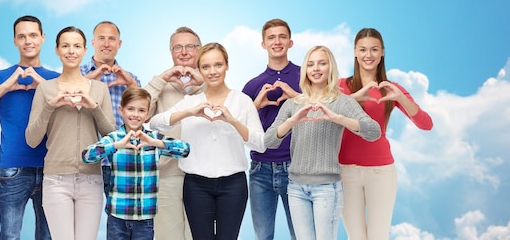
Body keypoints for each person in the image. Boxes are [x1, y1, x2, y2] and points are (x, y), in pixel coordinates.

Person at [150, 42, 266, 239]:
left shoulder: (242, 101)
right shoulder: (191, 101)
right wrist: (188, 112)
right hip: (196, 186)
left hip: (233, 186)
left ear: (227, 66)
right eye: (206, 67)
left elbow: (260, 145)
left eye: (218, 65)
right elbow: (156, 123)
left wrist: (232, 120)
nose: (212, 71)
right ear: (199, 70)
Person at [264, 45, 381, 240]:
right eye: (310, 64)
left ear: (330, 68)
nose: (316, 69)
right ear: (305, 70)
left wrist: (338, 118)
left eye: (322, 63)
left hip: (326, 188)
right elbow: (269, 141)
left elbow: (373, 131)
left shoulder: (342, 102)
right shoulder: (293, 104)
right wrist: (292, 121)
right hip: (296, 187)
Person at [0, 15, 59, 240]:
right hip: (12, 172)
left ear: (43, 38)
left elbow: (75, 114)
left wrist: (43, 86)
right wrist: (5, 87)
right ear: (15, 41)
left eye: (33, 35)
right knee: (10, 236)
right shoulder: (0, 77)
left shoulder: (55, 80)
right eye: (22, 36)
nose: (28, 41)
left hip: (53, 171)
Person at [338, 28, 433, 240]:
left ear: (382, 53)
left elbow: (426, 124)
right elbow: (326, 111)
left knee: (378, 236)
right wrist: (354, 97)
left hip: (381, 172)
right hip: (345, 173)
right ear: (354, 52)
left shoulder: (391, 89)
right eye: (363, 49)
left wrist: (401, 97)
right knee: (356, 237)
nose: (368, 55)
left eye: (374, 49)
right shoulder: (341, 86)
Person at [25, 26, 116, 239]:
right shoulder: (45, 89)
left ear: (85, 50)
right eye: (65, 46)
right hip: (56, 180)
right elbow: (32, 139)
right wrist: (50, 106)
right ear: (57, 50)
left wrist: (94, 107)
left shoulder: (99, 89)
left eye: (77, 46)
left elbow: (111, 136)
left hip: (91, 180)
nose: (71, 51)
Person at [82, 88, 191, 240]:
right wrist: (115, 146)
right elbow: (87, 156)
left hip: (145, 218)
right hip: (117, 217)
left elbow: (185, 150)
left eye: (141, 110)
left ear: (147, 115)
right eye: (130, 109)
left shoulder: (152, 138)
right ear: (121, 110)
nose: (135, 114)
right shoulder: (114, 138)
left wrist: (156, 143)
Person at [143, 26, 203, 240]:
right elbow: (140, 113)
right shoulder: (161, 86)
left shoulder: (211, 83)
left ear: (200, 49)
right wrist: (161, 78)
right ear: (171, 52)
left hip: (204, 175)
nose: (184, 51)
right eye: (178, 47)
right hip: (168, 175)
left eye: (190, 46)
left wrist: (203, 81)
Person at [242, 19, 300, 240]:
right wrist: (256, 105)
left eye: (282, 36)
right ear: (263, 44)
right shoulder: (252, 85)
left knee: (300, 234)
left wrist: (296, 97)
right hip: (260, 170)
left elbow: (321, 108)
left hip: (296, 167)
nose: (277, 41)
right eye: (271, 37)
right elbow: (237, 126)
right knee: (263, 236)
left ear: (290, 42)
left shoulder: (304, 77)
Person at [80, 20, 141, 196]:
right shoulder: (77, 74)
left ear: (119, 44)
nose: (106, 44)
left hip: (121, 162)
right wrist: (89, 82)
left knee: (122, 221)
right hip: (88, 162)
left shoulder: (130, 79)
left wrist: (130, 84)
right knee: (85, 221)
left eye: (112, 39)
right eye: (101, 38)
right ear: (92, 42)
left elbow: (145, 115)